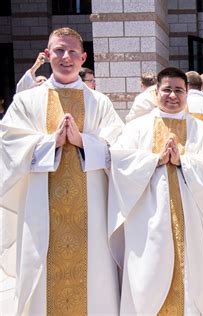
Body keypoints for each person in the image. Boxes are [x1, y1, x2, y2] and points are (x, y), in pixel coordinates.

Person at [0, 27, 123, 315]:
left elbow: (119, 148)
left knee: (94, 277)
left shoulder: (100, 102)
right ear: (47, 54)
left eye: (71, 52)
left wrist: (84, 143)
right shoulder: (27, 101)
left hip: (91, 214)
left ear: (83, 58)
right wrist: (49, 144)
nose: (65, 57)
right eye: (58, 50)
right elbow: (9, 144)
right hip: (40, 210)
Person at [108, 67, 203, 314]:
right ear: (156, 92)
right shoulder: (137, 127)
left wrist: (183, 162)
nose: (172, 95)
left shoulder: (202, 130)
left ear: (187, 93)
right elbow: (119, 159)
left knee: (190, 280)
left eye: (179, 90)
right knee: (147, 279)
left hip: (190, 224)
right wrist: (154, 160)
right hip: (147, 224)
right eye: (167, 89)